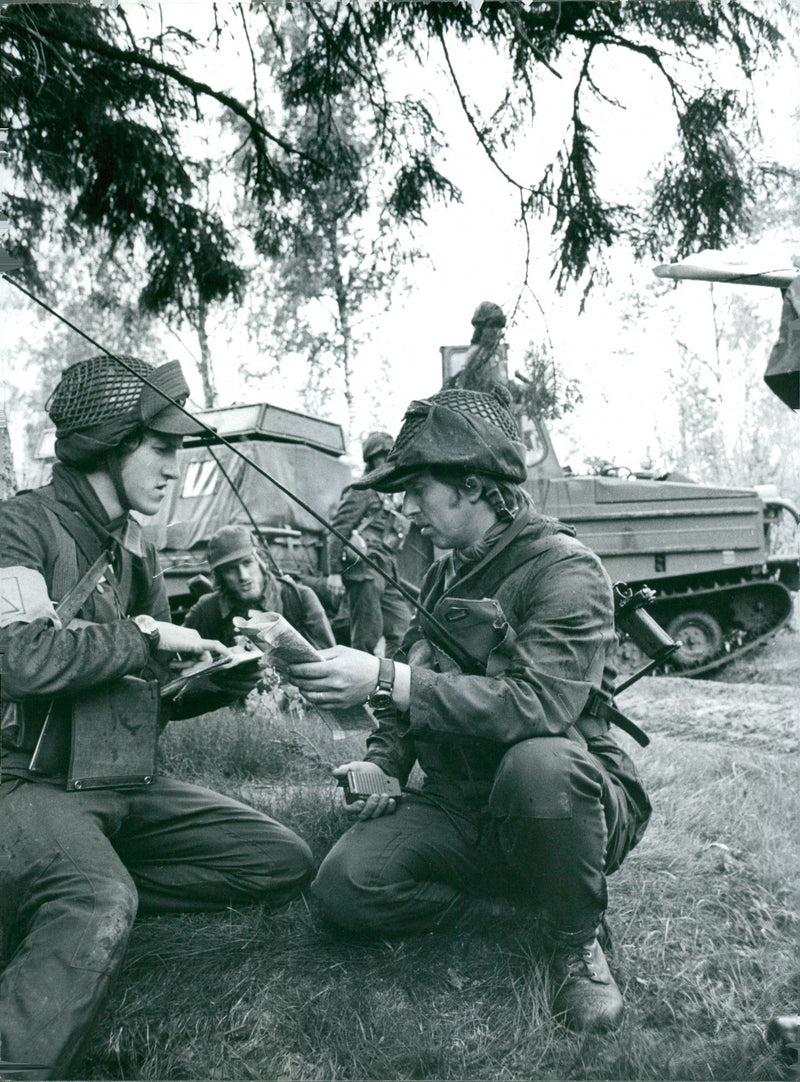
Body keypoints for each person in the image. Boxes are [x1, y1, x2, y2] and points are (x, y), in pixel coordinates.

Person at [288, 386, 652, 1033]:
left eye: (418, 489)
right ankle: (519, 911)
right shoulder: (440, 575)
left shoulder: (566, 570)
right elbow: (406, 698)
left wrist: (382, 674)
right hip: (462, 804)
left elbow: (538, 704)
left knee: (538, 763)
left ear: (474, 485)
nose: (406, 508)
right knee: (343, 886)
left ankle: (574, 941)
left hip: (564, 799)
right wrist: (384, 765)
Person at [0, 356, 314, 1079]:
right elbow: (19, 659)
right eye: (163, 447)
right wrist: (142, 638)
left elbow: (140, 700)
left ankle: (48, 897)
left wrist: (213, 682)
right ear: (110, 443)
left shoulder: (136, 548)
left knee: (278, 860)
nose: (176, 468)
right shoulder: (23, 527)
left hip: (120, 788)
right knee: (98, 896)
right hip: (27, 787)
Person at [182, 523, 335, 651]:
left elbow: (327, 661)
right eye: (230, 569)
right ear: (220, 576)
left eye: (248, 563)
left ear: (261, 561)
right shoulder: (207, 609)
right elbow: (180, 656)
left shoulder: (298, 598)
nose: (244, 576)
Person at [326, 431, 411, 657]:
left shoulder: (393, 495)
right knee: (366, 637)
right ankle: (358, 690)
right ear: (371, 460)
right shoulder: (361, 491)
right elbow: (337, 531)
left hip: (388, 574)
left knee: (403, 629)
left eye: (391, 455)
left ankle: (394, 682)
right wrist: (334, 572)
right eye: (382, 456)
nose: (387, 460)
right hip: (365, 572)